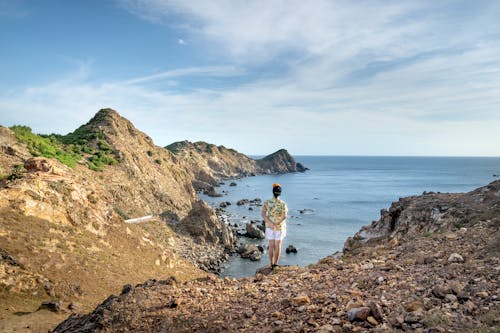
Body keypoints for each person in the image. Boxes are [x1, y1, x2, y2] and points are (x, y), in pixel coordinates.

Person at [261, 183, 288, 268]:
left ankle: (271, 263)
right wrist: (277, 223)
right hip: (279, 227)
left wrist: (270, 223)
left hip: (270, 227)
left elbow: (263, 214)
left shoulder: (267, 202)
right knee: (278, 245)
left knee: (271, 245)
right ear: (280, 193)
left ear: (273, 192)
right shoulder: (282, 204)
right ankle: (276, 263)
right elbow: (285, 216)